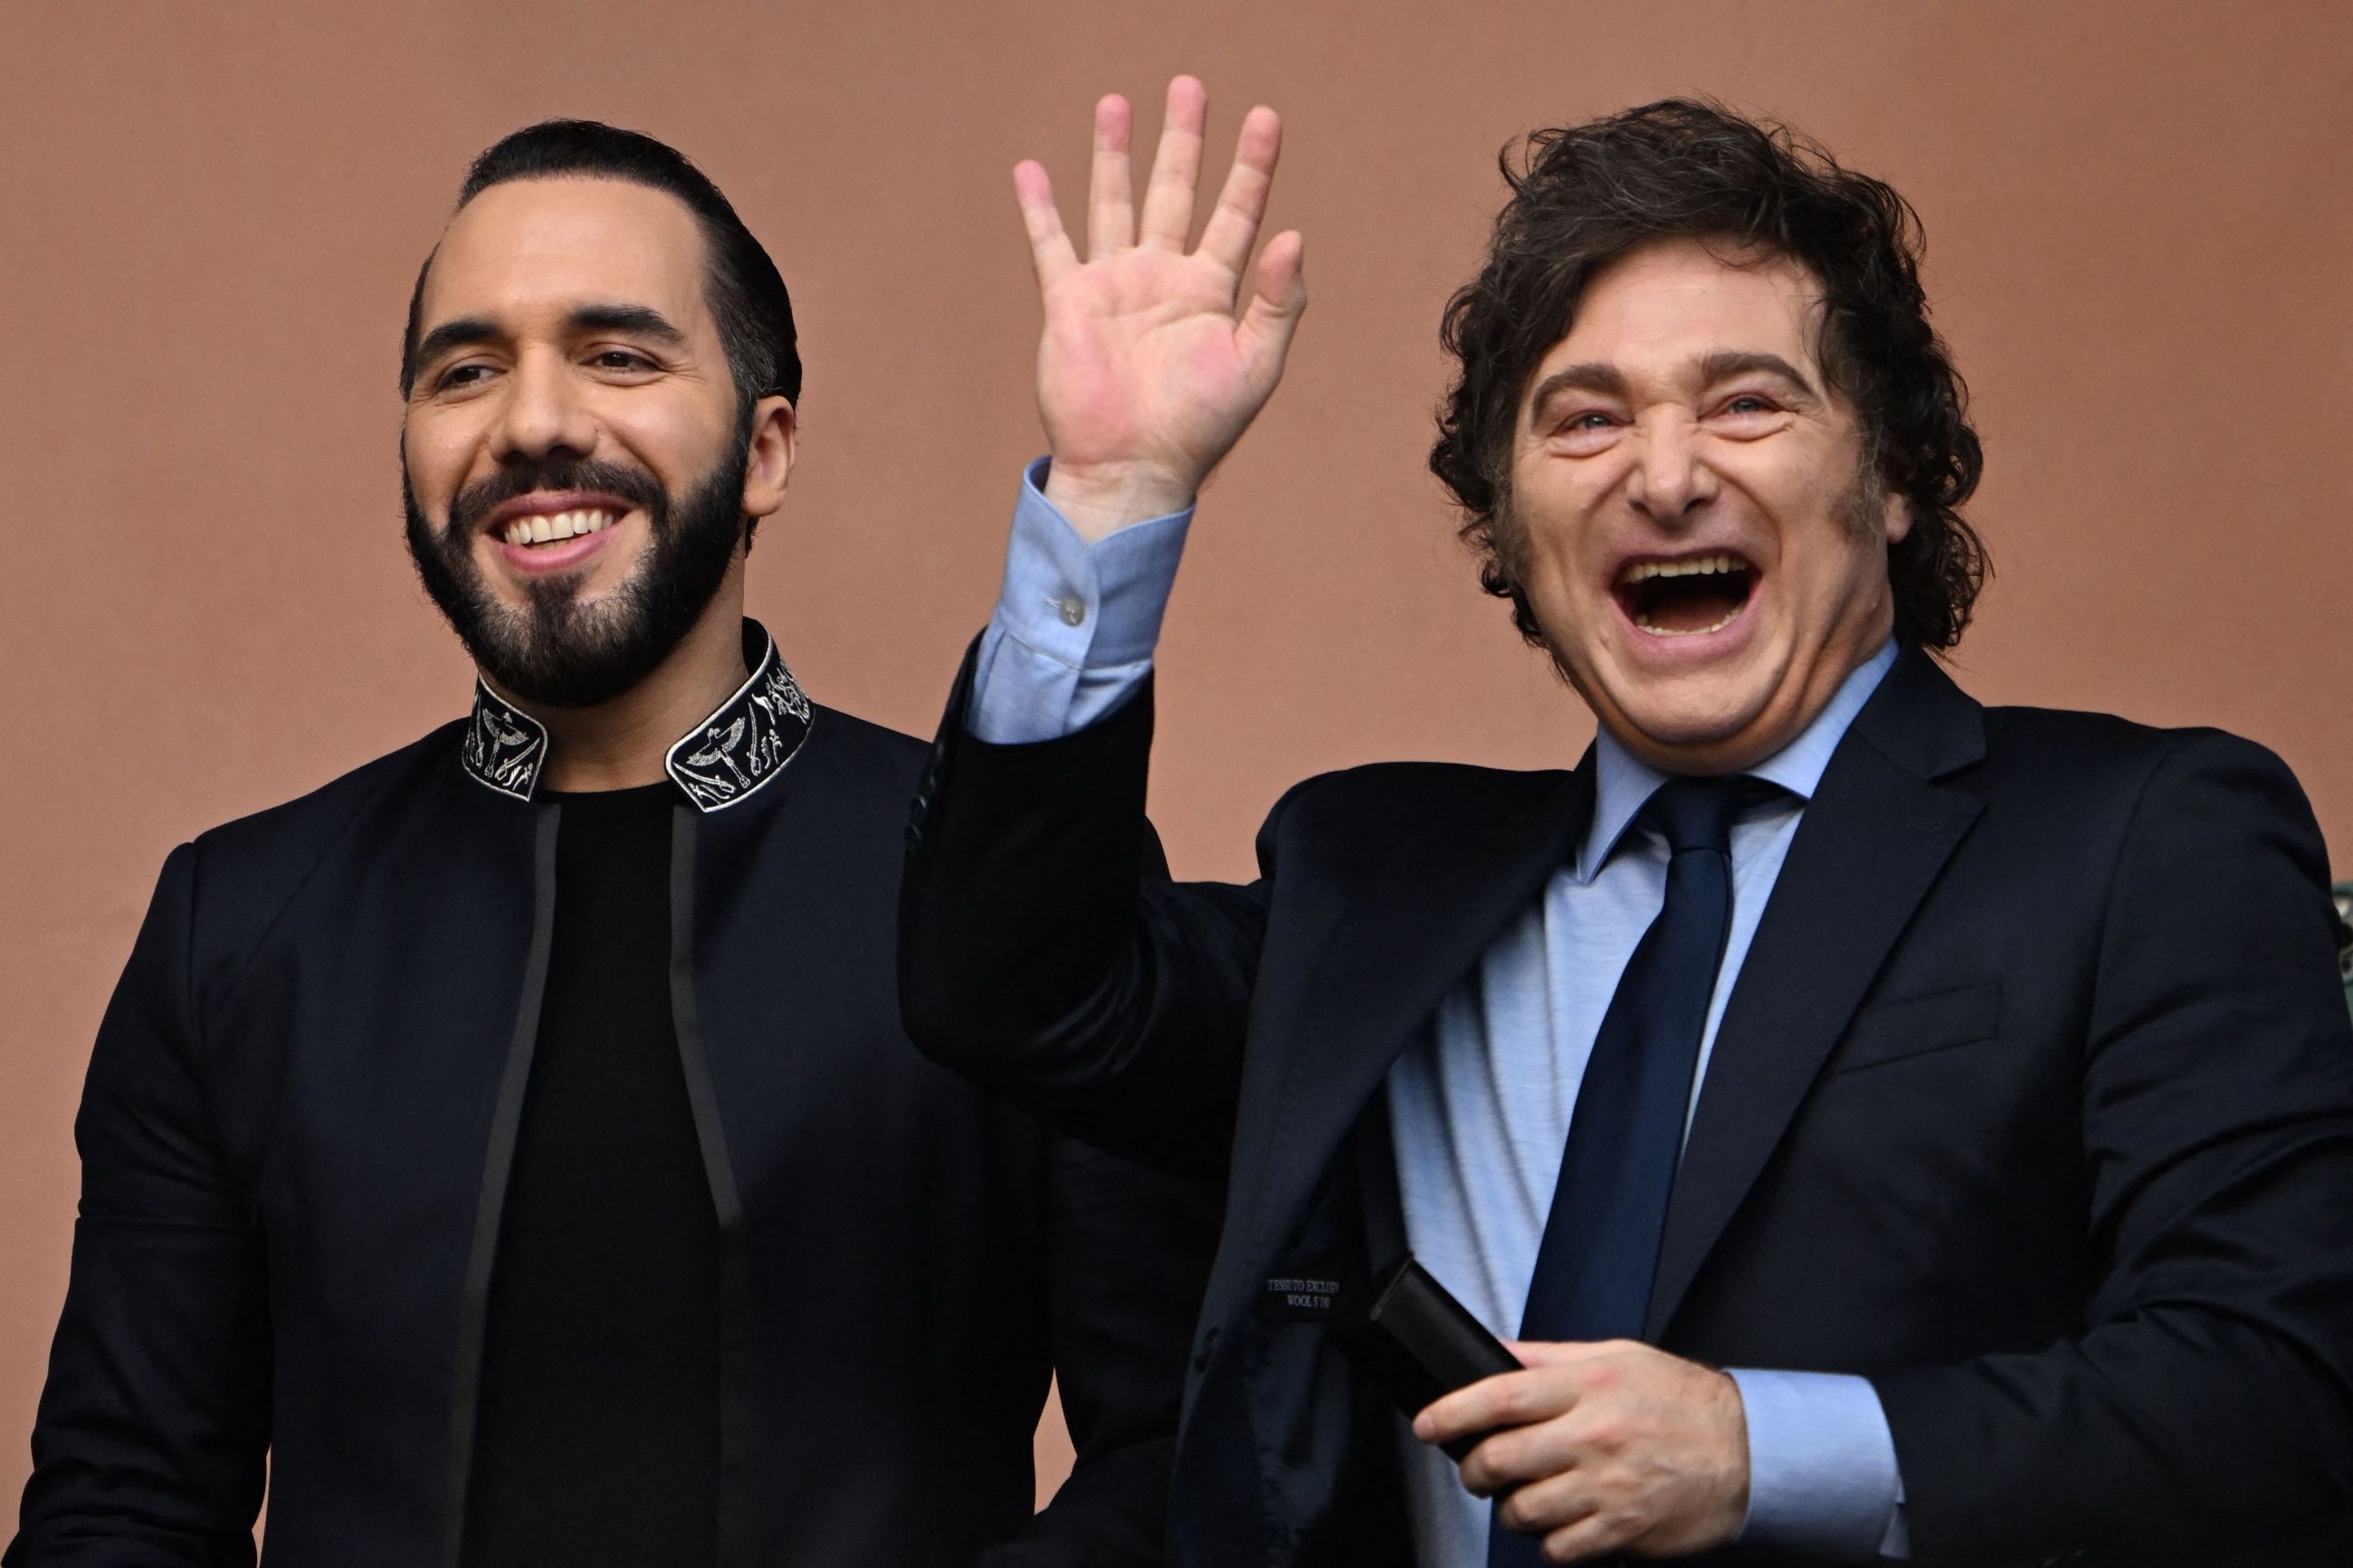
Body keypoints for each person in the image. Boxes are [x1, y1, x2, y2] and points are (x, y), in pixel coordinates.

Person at [897, 79, 2353, 1566]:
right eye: (1585, 419)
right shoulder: (1370, 880)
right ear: (1511, 525)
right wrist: (1115, 494)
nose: (1663, 477)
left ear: (1897, 478)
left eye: (1747, 402)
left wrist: (1754, 1448)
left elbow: (2279, 1401)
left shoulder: (2146, 837)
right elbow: (1012, 988)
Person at [9, 119, 1218, 1568]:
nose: (532, 421)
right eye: (466, 370)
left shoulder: (1011, 901)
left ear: (766, 450)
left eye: (618, 355)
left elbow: (1186, 1460)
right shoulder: (240, 925)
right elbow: (121, 1510)